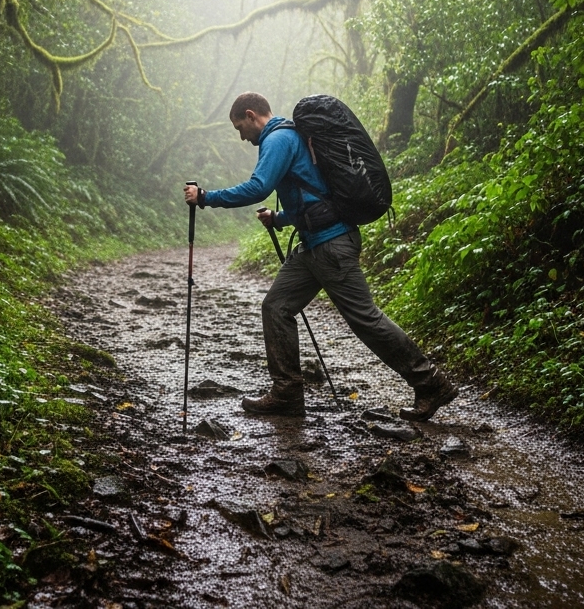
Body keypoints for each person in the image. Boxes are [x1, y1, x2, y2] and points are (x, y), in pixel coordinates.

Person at [182, 92, 458, 420]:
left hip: (331, 244)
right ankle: (286, 393)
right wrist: (280, 218)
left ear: (252, 115)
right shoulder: (289, 137)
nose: (242, 136)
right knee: (277, 306)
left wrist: (206, 197)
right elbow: (312, 194)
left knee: (365, 319)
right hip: (314, 244)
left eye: (241, 127)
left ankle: (430, 383)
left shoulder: (278, 139)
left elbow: (258, 187)